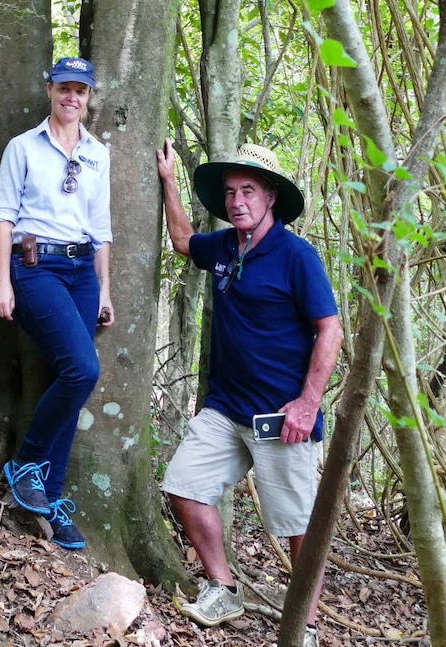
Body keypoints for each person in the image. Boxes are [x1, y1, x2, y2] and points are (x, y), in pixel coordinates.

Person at [156, 138, 342, 645]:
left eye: (249, 191)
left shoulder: (296, 256)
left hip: (284, 419)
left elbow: (331, 330)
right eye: (232, 192)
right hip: (225, 408)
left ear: (271, 197)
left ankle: (303, 624)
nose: (238, 201)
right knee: (182, 484)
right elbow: (181, 240)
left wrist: (307, 404)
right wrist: (170, 182)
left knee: (300, 526)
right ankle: (224, 586)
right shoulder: (222, 247)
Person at [0, 57, 113, 550]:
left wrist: (105, 289)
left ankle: (51, 500)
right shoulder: (23, 147)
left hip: (83, 271)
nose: (72, 98)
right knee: (82, 370)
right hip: (35, 268)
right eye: (65, 88)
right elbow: (2, 216)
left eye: (80, 91)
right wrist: (3, 282)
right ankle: (26, 462)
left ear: (88, 97)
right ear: (50, 90)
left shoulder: (98, 154)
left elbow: (101, 229)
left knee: (71, 379)